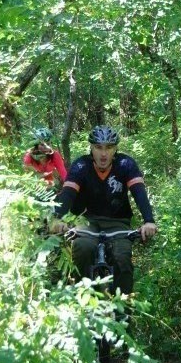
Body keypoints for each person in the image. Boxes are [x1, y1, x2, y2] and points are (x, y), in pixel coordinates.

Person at [49, 125, 158, 296]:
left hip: (118, 222)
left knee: (122, 258)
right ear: (91, 148)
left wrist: (149, 220)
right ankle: (84, 301)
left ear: (116, 149)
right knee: (82, 249)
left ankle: (123, 313)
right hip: (87, 221)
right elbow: (68, 193)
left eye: (109, 147)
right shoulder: (81, 166)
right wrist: (56, 218)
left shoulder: (125, 164)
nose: (104, 153)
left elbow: (139, 193)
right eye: (99, 147)